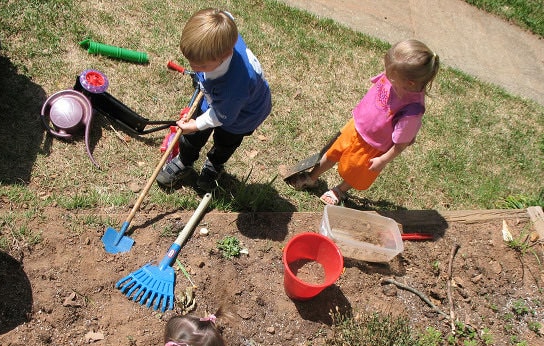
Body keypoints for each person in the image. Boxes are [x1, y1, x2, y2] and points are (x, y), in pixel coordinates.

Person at [288, 39, 440, 205]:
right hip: (356, 127)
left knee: (356, 172)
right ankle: (312, 177)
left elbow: (401, 144)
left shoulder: (412, 111)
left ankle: (340, 190)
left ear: (409, 83)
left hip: (372, 146)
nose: (386, 75)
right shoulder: (398, 76)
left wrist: (383, 160)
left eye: (390, 75)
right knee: (332, 153)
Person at [156, 8, 272, 192]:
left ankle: (213, 165)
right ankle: (185, 160)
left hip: (242, 114)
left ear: (225, 55)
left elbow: (220, 116)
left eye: (201, 65)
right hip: (219, 98)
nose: (194, 68)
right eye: (191, 61)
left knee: (225, 141)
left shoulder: (235, 85)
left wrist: (194, 125)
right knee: (193, 136)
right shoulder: (222, 35)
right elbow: (226, 16)